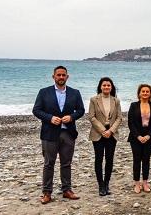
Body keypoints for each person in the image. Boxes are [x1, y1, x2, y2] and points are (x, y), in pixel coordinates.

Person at [33, 65, 85, 204]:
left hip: (68, 133)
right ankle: (46, 192)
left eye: (63, 75)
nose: (61, 77)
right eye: (58, 75)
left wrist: (72, 117)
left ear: (67, 77)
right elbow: (36, 110)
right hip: (49, 133)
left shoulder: (75, 93)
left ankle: (67, 190)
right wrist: (50, 118)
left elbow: (81, 110)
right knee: (49, 163)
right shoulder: (44, 92)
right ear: (53, 77)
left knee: (66, 163)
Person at [87, 77, 123, 196]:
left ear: (111, 87)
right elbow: (91, 117)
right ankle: (100, 185)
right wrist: (103, 130)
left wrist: (111, 130)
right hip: (98, 133)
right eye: (104, 85)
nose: (106, 87)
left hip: (111, 133)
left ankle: (107, 183)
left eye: (108, 85)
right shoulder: (94, 99)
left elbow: (119, 117)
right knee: (98, 159)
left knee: (109, 159)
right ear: (100, 87)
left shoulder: (116, 100)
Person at [127, 84, 151, 193]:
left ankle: (145, 182)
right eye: (143, 91)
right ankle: (136, 183)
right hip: (135, 137)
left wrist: (149, 135)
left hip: (149, 137)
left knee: (146, 160)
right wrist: (138, 136)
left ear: (150, 94)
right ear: (139, 93)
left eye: (147, 91)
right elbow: (130, 123)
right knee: (136, 160)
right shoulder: (133, 105)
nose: (145, 93)